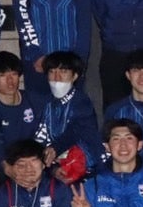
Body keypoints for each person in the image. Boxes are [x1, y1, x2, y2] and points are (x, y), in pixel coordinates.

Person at [0, 51, 41, 199]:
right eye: (2, 76)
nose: (10, 81)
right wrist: (11, 171)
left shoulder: (33, 100)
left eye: (14, 74)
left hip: (31, 163)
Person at [35, 50, 100, 183]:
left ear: (74, 76)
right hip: (51, 167)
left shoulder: (82, 103)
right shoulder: (43, 103)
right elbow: (38, 139)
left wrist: (56, 148)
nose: (57, 77)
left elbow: (76, 132)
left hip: (83, 168)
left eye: (63, 72)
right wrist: (52, 168)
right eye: (52, 72)